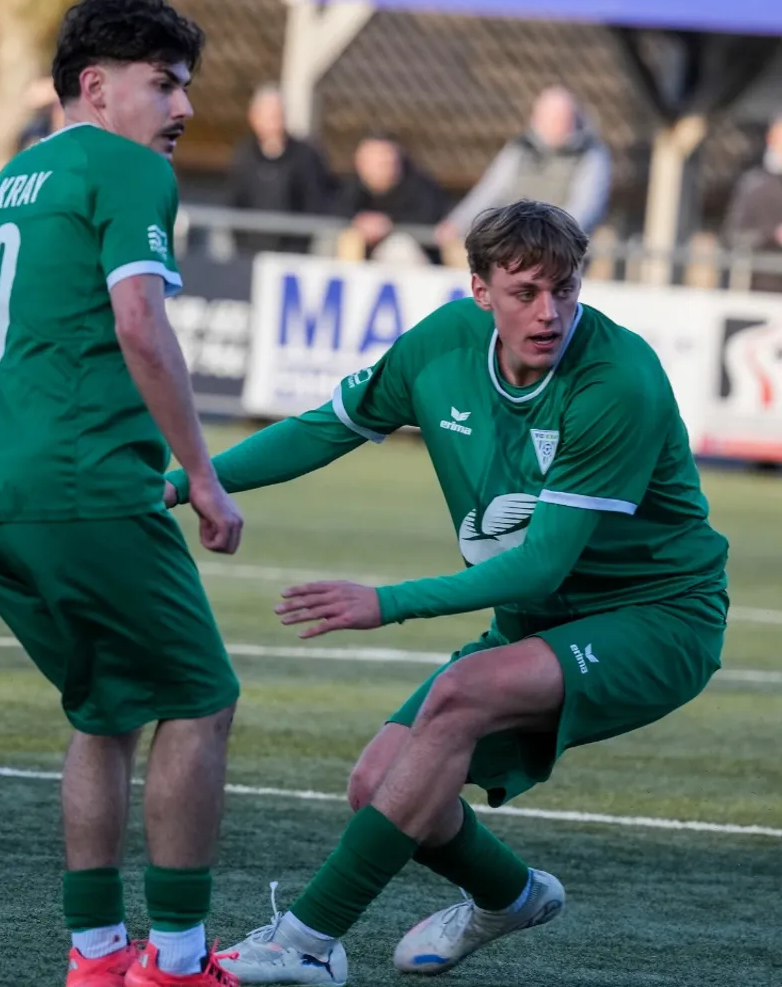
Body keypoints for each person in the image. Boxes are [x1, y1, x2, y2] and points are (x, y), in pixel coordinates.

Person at [164, 202, 728, 984]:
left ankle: (305, 946)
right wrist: (191, 480)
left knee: (462, 693)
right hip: (539, 623)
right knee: (379, 787)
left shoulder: (617, 379)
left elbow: (539, 568)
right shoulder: (441, 345)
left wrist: (385, 602)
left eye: (565, 289)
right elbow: (325, 427)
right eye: (526, 291)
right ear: (479, 290)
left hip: (658, 619)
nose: (550, 311)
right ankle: (512, 896)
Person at [0, 0, 245, 987]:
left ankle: (97, 955)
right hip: (85, 490)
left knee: (103, 713)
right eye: (165, 83)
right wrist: (202, 474)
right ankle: (179, 963)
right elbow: (141, 323)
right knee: (201, 702)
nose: (182, 107)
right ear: (95, 87)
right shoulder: (126, 167)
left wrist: (9, 436)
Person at [436, 86, 610, 267]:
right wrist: (457, 222)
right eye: (550, 118)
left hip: (561, 249)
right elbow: (490, 191)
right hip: (514, 240)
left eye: (561, 118)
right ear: (536, 118)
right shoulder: (519, 149)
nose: (556, 125)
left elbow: (584, 207)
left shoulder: (591, 154)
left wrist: (544, 237)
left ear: (573, 119)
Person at [223, 85, 339, 254]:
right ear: (254, 118)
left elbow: (316, 200)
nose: (275, 121)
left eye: (278, 114)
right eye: (269, 115)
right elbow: (235, 201)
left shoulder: (306, 156)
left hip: (293, 254)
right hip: (249, 252)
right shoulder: (244, 156)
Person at [333, 134, 448, 265]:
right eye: (372, 161)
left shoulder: (421, 188)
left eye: (385, 161)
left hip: (415, 261)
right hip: (361, 259)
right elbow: (332, 211)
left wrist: (388, 225)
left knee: (399, 249)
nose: (380, 167)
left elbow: (429, 221)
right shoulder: (350, 187)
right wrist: (358, 222)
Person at [720, 116, 782, 292]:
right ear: (771, 139)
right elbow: (732, 236)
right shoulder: (753, 184)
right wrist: (772, 234)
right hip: (760, 288)